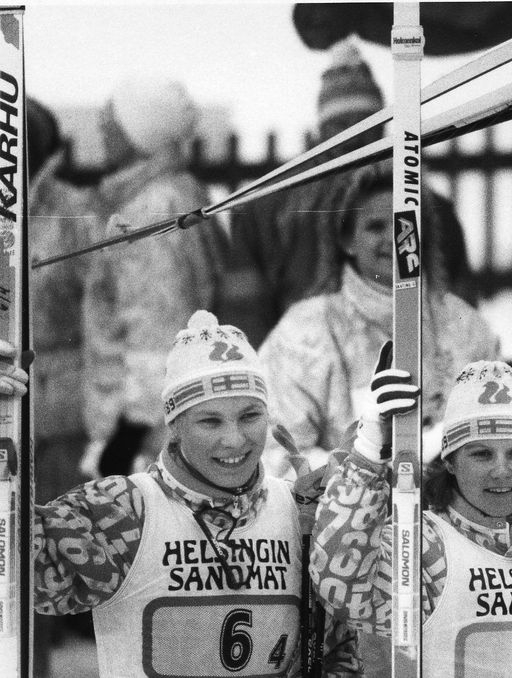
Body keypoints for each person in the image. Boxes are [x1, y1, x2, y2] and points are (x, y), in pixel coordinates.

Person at [21, 310, 315, 677]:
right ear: (174, 427)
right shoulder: (123, 510)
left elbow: (337, 654)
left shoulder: (299, 510)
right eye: (210, 421)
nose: (235, 439)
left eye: (250, 416)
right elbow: (15, 564)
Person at [310, 354, 512, 676]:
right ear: (450, 461)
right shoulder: (425, 545)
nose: (501, 471)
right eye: (482, 454)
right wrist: (368, 451)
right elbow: (342, 587)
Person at [218, 38, 476, 345]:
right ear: (325, 128)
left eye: (365, 125)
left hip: (369, 360)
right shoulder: (271, 208)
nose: (357, 139)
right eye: (345, 125)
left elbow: (459, 312)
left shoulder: (428, 208)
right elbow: (243, 309)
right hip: (311, 365)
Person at [257, 161, 499, 477]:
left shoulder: (465, 324)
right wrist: (368, 480)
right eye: (375, 227)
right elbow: (281, 452)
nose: (394, 239)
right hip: (344, 518)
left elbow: (496, 434)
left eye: (406, 225)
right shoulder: (305, 329)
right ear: (347, 240)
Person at [81, 75, 226, 478]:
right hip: (155, 417)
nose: (102, 127)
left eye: (112, 120)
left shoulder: (151, 207)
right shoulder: (169, 193)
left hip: (142, 433)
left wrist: (127, 434)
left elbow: (157, 325)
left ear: (139, 133)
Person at [26, 95, 102, 676]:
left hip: (63, 409)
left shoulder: (76, 211)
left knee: (45, 553)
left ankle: (39, 665)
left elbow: (102, 307)